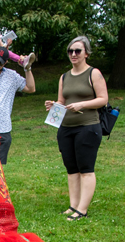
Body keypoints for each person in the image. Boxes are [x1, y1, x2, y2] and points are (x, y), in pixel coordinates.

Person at [45, 35, 108, 220]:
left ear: (86, 53)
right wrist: (53, 105)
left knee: (86, 168)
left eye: (78, 51)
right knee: (71, 168)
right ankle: (73, 206)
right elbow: (62, 101)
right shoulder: (64, 77)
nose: (73, 54)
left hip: (87, 127)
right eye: (70, 51)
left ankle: (82, 209)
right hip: (66, 128)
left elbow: (103, 99)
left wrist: (82, 104)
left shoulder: (93, 73)